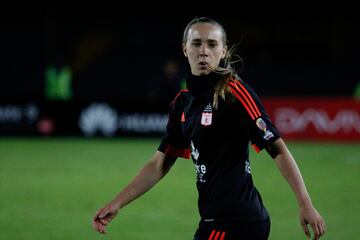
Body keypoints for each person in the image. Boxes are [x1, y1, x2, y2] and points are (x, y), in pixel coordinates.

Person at [92, 16, 326, 240]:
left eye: (212, 44)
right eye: (196, 43)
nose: (204, 50)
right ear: (185, 49)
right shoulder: (182, 104)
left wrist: (305, 203)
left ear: (223, 50)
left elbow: (277, 148)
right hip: (216, 220)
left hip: (237, 221)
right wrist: (117, 202)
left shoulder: (234, 93)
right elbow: (159, 163)